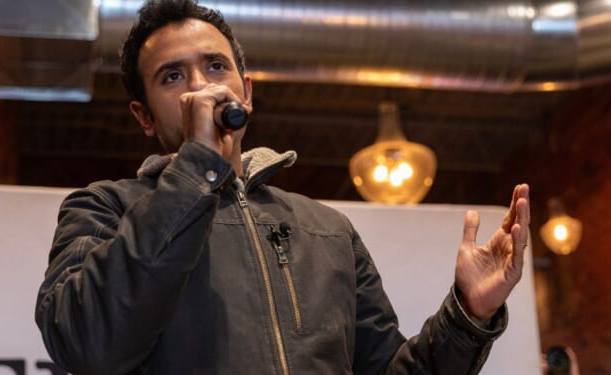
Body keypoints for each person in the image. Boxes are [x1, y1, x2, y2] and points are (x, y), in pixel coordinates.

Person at [35, 1, 531, 374]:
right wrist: (197, 168)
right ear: (143, 116)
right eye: (172, 76)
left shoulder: (327, 229)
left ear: (245, 92)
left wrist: (469, 313)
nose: (202, 87)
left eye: (215, 66)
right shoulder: (105, 207)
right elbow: (88, 343)